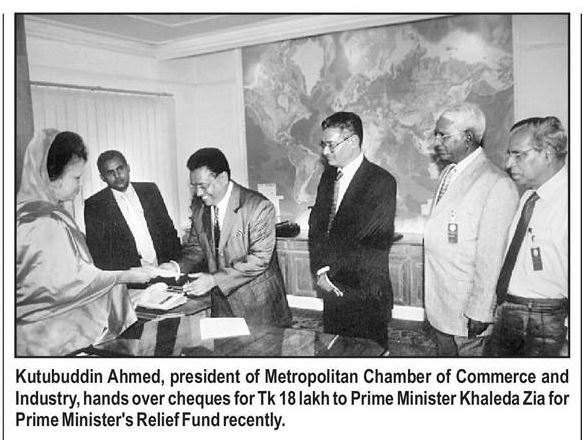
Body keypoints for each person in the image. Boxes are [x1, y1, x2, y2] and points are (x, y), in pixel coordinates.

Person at [16, 129, 156, 356]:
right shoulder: (42, 222)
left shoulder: (29, 212)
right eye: (76, 178)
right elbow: (70, 283)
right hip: (48, 341)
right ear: (52, 177)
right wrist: (125, 276)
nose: (79, 185)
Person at [424, 103, 519, 356]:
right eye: (437, 134)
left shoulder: (496, 183)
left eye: (444, 135)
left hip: (467, 311)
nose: (437, 141)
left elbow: (492, 256)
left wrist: (481, 310)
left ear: (468, 137)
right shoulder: (448, 173)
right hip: (441, 304)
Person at [159, 147, 292, 327]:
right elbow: (196, 248)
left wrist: (214, 279)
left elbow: (259, 259)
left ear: (222, 178)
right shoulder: (199, 207)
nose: (198, 193)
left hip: (258, 307)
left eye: (203, 186)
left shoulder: (258, 206)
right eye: (194, 186)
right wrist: (175, 266)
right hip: (221, 304)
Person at [308, 111, 396, 348]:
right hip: (331, 290)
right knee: (335, 352)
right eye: (323, 145)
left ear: (353, 141)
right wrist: (320, 271)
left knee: (368, 356)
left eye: (331, 145)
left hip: (364, 292)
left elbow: (369, 240)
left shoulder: (381, 182)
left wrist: (330, 274)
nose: (325, 152)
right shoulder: (328, 178)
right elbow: (316, 228)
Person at [489, 116, 568, 356]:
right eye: (509, 155)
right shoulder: (529, 197)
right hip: (512, 312)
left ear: (547, 154)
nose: (508, 163)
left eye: (518, 155)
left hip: (547, 321)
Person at [85, 150, 181, 270]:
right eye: (110, 172)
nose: (117, 175)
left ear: (128, 168)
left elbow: (169, 230)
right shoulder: (95, 204)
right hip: (130, 275)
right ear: (102, 177)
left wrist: (177, 264)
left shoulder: (150, 190)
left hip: (164, 267)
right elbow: (98, 252)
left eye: (120, 168)